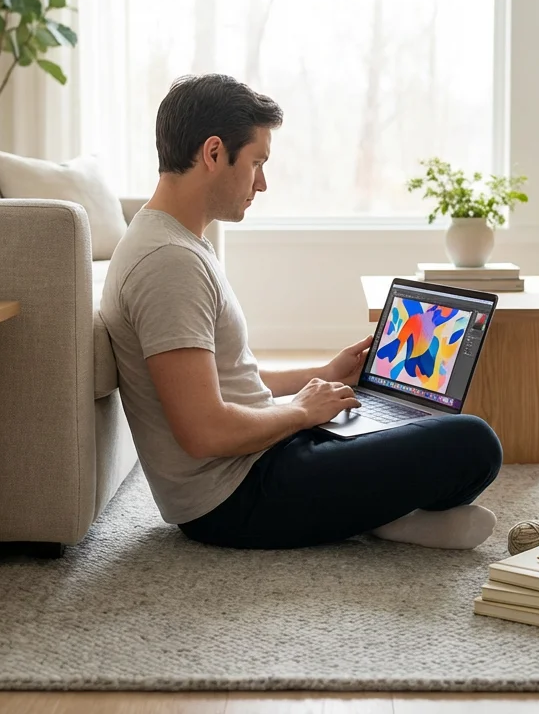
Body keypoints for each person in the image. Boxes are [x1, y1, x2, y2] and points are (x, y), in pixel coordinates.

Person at [100, 73, 503, 550]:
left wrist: (325, 374)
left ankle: (377, 514)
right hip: (234, 498)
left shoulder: (177, 243)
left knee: (403, 420)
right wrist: (299, 412)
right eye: (256, 162)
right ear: (213, 153)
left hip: (261, 454)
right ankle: (380, 515)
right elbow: (203, 431)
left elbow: (229, 378)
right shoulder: (167, 263)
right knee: (473, 443)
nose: (263, 183)